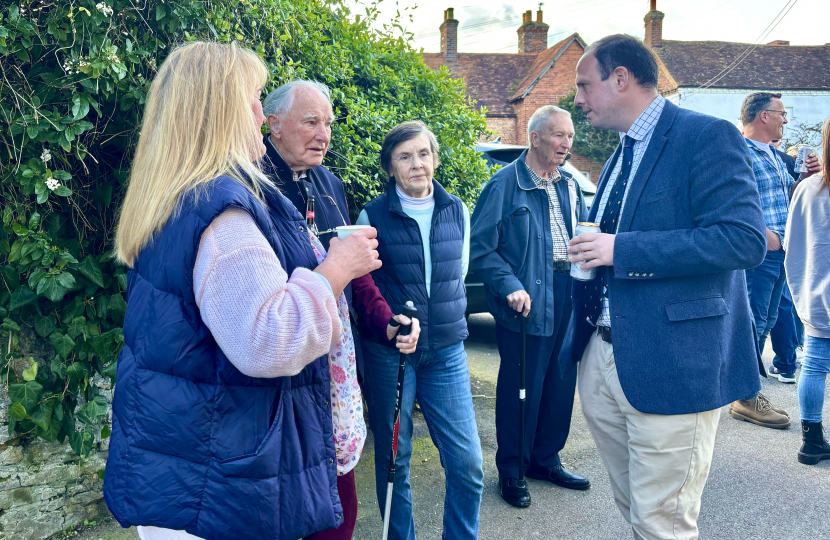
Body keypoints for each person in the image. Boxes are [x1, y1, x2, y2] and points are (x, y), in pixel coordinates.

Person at [103, 42, 404, 540]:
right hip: (221, 469)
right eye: (253, 99)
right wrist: (335, 271)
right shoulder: (225, 216)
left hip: (187, 455)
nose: (259, 114)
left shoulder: (176, 198)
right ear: (222, 111)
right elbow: (271, 339)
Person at [565, 34, 766, 539]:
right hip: (605, 358)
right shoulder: (621, 152)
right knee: (639, 512)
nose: (577, 99)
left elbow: (743, 240)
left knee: (664, 524)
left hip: (674, 365)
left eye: (584, 85)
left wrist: (621, 250)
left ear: (621, 79)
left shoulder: (707, 136)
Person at [356, 120, 484, 540]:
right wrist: (393, 325)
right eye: (405, 157)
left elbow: (457, 275)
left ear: (435, 158)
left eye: (423, 154)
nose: (416, 164)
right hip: (390, 355)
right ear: (390, 167)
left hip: (445, 352)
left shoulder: (457, 210)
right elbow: (363, 286)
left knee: (467, 464)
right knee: (396, 460)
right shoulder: (371, 215)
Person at [260, 80, 421, 406]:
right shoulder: (250, 183)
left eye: (328, 124)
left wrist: (384, 320)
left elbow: (353, 269)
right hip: (278, 363)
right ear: (274, 124)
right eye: (311, 122)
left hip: (333, 355)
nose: (324, 135)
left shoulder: (330, 184)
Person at [469, 106, 590, 508]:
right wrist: (510, 287)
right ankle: (512, 469)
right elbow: (481, 251)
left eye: (570, 136)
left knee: (559, 383)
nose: (566, 144)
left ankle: (545, 459)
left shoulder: (569, 185)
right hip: (526, 299)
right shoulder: (505, 185)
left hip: (568, 291)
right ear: (535, 137)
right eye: (558, 135)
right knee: (522, 389)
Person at [785, 117, 830, 466]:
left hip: (815, 291)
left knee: (813, 365)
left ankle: (810, 440)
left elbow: (793, 242)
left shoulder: (808, 187)